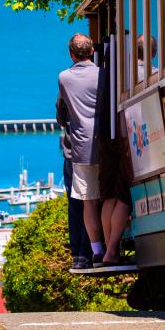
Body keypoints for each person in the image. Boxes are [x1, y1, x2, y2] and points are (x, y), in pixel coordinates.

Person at [56, 33, 106, 266]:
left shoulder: (64, 77)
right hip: (106, 144)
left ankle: (86, 253)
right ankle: (105, 248)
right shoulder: (103, 75)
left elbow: (61, 112)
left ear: (71, 54)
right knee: (108, 197)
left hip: (80, 147)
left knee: (84, 201)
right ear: (93, 52)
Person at [55, 95, 91, 270]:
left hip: (72, 153)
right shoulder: (100, 78)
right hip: (95, 149)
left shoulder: (66, 80)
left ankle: (79, 255)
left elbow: (61, 117)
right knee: (91, 202)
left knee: (75, 205)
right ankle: (94, 248)